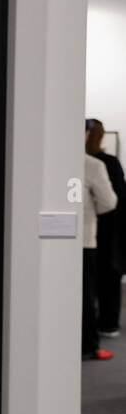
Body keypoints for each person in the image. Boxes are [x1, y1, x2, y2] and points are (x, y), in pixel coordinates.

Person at [87, 119, 125, 337]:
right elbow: (115, 199)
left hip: (103, 229)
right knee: (107, 276)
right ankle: (106, 323)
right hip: (107, 229)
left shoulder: (99, 163)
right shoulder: (105, 163)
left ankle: (103, 323)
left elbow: (115, 200)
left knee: (100, 276)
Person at [83, 145, 118, 360]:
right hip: (84, 239)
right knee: (85, 295)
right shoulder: (93, 165)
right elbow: (108, 202)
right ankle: (88, 345)